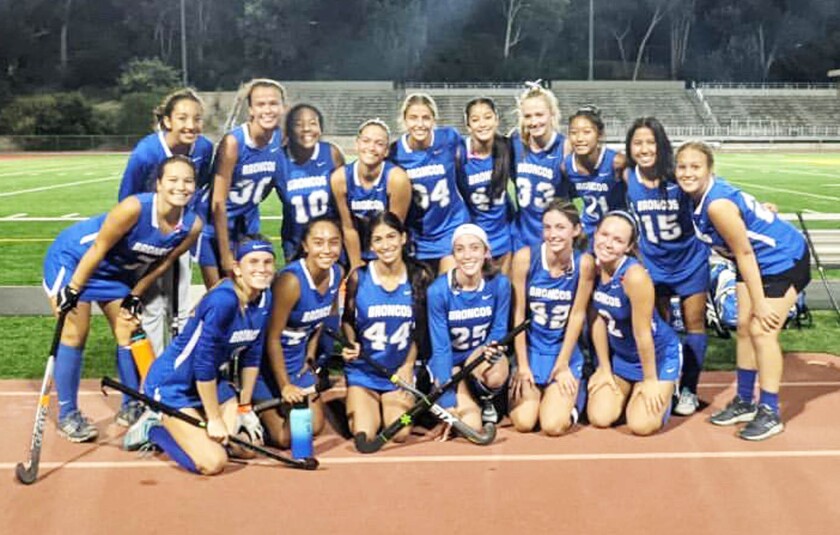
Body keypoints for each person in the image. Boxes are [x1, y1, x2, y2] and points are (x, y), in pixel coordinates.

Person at [42, 155, 202, 442]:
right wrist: (74, 289)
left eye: (188, 180)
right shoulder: (135, 208)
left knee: (128, 329)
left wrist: (136, 293)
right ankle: (68, 414)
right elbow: (99, 247)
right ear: (159, 184)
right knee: (75, 333)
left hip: (114, 273)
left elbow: (163, 264)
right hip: (75, 260)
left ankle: (132, 404)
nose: (181, 187)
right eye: (173, 180)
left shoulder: (191, 225)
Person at [675, 141, 810, 441]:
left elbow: (747, 253)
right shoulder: (694, 198)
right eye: (682, 166)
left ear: (709, 169)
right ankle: (745, 401)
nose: (687, 173)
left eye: (695, 166)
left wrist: (761, 302)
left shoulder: (715, 205)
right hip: (751, 259)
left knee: (762, 330)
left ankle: (770, 411)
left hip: (780, 260)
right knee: (745, 329)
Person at [135, 238, 275, 474]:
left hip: (209, 382)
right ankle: (154, 429)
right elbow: (203, 364)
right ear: (237, 268)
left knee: (248, 448)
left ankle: (192, 427)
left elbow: (253, 354)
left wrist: (244, 406)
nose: (261, 268)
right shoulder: (223, 301)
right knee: (214, 462)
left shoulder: (264, 297)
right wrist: (214, 418)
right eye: (253, 262)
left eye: (267, 262)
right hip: (173, 385)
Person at [117, 88, 214, 355]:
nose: (190, 125)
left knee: (181, 306)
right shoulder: (146, 152)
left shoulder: (204, 148)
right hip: (147, 240)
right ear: (168, 121)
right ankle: (154, 372)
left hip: (181, 233)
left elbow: (200, 185)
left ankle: (179, 367)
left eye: (196, 119)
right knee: (152, 305)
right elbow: (126, 198)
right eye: (183, 118)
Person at [624, 117, 710, 416]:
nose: (645, 148)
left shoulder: (677, 175)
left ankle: (689, 389)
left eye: (651, 142)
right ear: (630, 147)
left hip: (689, 260)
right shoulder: (626, 174)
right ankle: (666, 381)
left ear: (661, 145)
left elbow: (711, 191)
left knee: (694, 323)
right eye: (638, 142)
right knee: (657, 326)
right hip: (653, 263)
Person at [340, 212, 434, 445]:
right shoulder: (359, 278)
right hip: (365, 372)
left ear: (403, 238)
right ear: (370, 245)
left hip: (398, 374)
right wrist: (351, 343)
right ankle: (348, 405)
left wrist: (408, 365)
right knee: (364, 434)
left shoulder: (418, 277)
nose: (386, 245)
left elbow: (420, 330)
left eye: (391, 236)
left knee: (400, 431)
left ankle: (406, 407)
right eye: (378, 239)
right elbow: (347, 321)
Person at [587, 212, 682, 436]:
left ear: (629, 247)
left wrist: (649, 381)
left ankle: (669, 389)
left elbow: (643, 334)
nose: (608, 244)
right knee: (600, 417)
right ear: (595, 233)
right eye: (604, 234)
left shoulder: (634, 277)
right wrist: (604, 367)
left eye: (618, 240)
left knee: (641, 426)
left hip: (655, 357)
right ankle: (629, 389)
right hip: (623, 357)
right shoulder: (591, 267)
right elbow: (597, 319)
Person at [252, 217, 343, 447]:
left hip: (297, 361)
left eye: (333, 243)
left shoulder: (337, 273)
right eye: (318, 242)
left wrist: (310, 353)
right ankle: (252, 407)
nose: (326, 250)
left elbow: (319, 319)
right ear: (305, 246)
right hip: (268, 365)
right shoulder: (291, 282)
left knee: (314, 427)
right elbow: (271, 338)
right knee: (285, 439)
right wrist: (285, 385)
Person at [509, 200, 596, 435]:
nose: (552, 234)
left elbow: (577, 315)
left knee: (553, 426)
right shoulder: (526, 258)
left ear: (576, 230)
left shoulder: (584, 264)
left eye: (560, 227)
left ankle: (578, 395)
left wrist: (563, 362)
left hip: (562, 350)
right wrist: (523, 365)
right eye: (547, 227)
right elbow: (518, 314)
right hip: (532, 349)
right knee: (524, 423)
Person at [195, 78, 287, 287]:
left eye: (273, 103)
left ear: (283, 108)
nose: (268, 110)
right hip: (214, 227)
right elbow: (217, 203)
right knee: (221, 295)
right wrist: (226, 254)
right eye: (261, 104)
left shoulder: (280, 139)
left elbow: (271, 181)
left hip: (246, 224)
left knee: (251, 292)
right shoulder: (234, 143)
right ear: (251, 110)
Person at [426, 224, 511, 431]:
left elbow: (499, 329)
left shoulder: (500, 284)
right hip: (449, 361)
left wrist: (491, 347)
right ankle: (459, 392)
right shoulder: (438, 291)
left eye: (474, 248)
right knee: (472, 427)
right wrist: (447, 400)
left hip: (477, 355)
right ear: (453, 254)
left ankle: (487, 399)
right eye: (460, 249)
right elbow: (441, 347)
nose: (467, 255)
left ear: (486, 252)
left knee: (497, 374)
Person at [388, 93, 470, 273]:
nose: (420, 124)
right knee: (421, 294)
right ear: (404, 120)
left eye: (426, 118)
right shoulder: (394, 152)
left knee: (446, 288)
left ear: (434, 119)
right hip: (418, 235)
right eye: (413, 118)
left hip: (451, 226)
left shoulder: (449, 138)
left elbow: (464, 169)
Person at [332, 119, 411, 268]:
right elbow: (348, 227)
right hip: (354, 250)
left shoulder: (396, 178)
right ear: (357, 143)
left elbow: (393, 230)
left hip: (387, 250)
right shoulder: (340, 178)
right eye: (366, 141)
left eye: (379, 143)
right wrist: (356, 265)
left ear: (386, 151)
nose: (371, 147)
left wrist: (379, 266)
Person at [274, 104, 345, 261]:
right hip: (296, 246)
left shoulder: (331, 153)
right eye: (298, 124)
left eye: (313, 123)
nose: (307, 128)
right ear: (289, 130)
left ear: (320, 128)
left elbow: (346, 200)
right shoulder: (279, 159)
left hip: (331, 245)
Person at [457, 97, 515, 274]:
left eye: (487, 117)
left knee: (504, 294)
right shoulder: (458, 154)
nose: (482, 124)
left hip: (504, 238)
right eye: (475, 120)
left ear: (496, 119)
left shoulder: (507, 148)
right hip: (473, 239)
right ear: (468, 126)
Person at [511, 82, 570, 252]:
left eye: (539, 115)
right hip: (521, 237)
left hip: (554, 238)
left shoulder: (565, 147)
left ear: (552, 114)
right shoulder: (515, 143)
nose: (534, 122)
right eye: (528, 116)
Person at [563, 105, 627, 243]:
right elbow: (567, 202)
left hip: (616, 230)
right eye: (574, 132)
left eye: (587, 132)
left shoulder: (617, 163)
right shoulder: (567, 166)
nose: (579, 138)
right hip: (588, 232)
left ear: (600, 134)